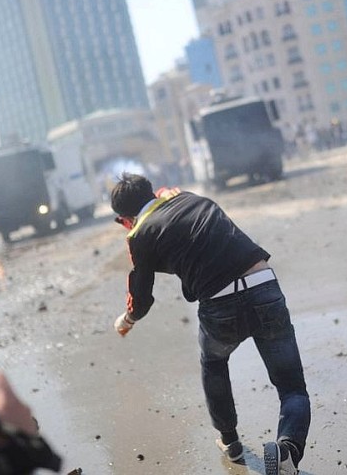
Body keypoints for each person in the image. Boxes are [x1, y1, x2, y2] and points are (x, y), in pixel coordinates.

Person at [110, 173, 310, 475]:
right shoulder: (192, 198)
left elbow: (142, 298)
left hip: (220, 303)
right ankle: (287, 450)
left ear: (125, 218)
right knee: (292, 387)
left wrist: (127, 319)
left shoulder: (139, 234)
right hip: (263, 285)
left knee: (214, 362)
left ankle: (230, 441)